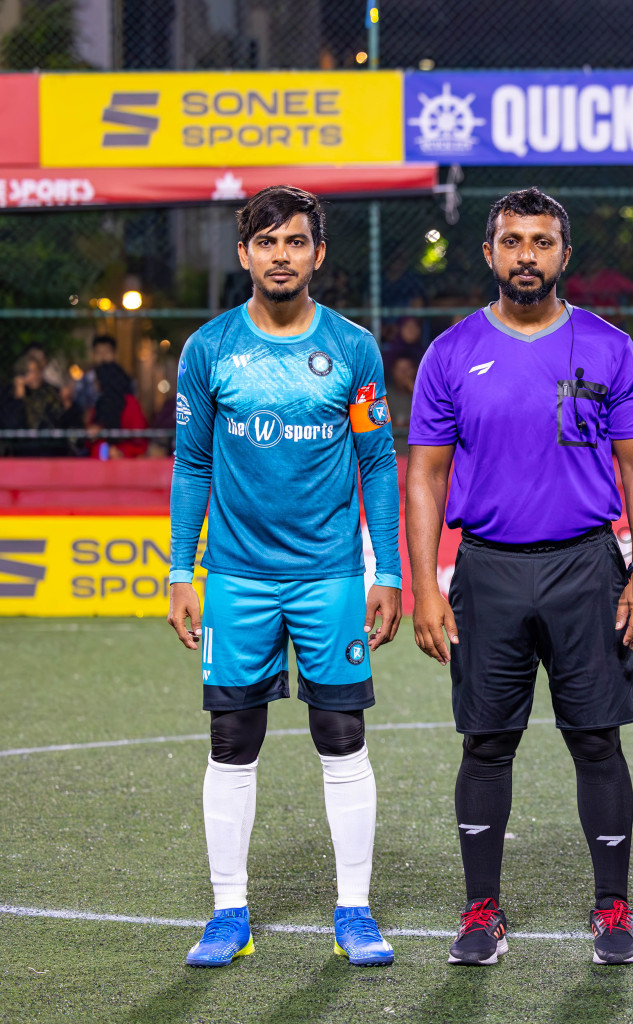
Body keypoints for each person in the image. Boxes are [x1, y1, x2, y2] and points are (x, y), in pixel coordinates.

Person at [406, 188, 633, 968]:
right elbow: (424, 476)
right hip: (488, 568)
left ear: (563, 254)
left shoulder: (610, 346)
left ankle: (612, 908)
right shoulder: (451, 352)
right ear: (489, 254)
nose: (527, 255)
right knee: (487, 744)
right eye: (512, 241)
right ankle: (482, 911)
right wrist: (425, 587)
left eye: (542, 241)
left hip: (586, 566)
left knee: (595, 739)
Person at [167, 185, 403, 969]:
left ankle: (355, 911)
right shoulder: (209, 351)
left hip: (330, 578)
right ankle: (227, 912)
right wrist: (179, 569)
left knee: (342, 736)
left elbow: (376, 462)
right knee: (232, 740)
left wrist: (389, 570)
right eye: (266, 243)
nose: (281, 256)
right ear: (244, 254)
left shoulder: (353, 349)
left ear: (317, 253)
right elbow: (193, 463)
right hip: (235, 578)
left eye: (295, 242)